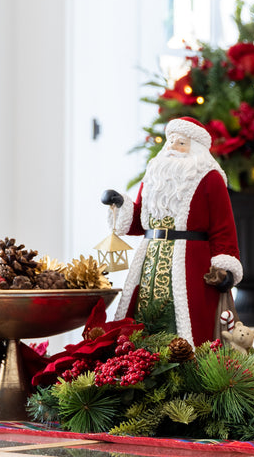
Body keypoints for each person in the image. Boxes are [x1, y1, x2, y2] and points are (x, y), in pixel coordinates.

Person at [101, 117, 242, 345]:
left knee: (189, 319)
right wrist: (121, 204)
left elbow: (223, 226)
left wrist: (226, 268)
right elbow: (140, 222)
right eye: (171, 142)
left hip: (192, 265)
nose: (174, 148)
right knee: (143, 315)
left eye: (181, 143)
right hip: (150, 262)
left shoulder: (210, 178)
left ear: (196, 149)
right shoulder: (155, 177)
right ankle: (141, 362)